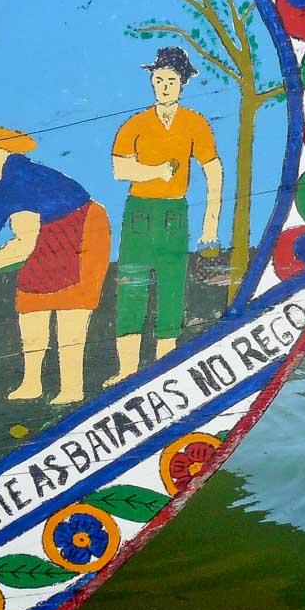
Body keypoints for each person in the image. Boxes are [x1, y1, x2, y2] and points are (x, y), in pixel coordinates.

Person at [0, 127, 111, 405]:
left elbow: (14, 245)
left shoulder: (15, 182)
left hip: (83, 229)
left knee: (71, 307)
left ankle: (72, 387)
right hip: (50, 236)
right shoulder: (8, 185)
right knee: (29, 297)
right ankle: (32, 382)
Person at [111, 47, 222, 382]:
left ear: (183, 83)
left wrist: (211, 222)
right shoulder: (137, 123)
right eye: (158, 79)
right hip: (139, 212)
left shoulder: (194, 123)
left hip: (175, 212)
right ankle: (127, 370)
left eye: (170, 80)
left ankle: (165, 368)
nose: (163, 86)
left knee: (172, 286)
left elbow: (212, 170)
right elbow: (119, 168)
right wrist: (156, 171)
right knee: (131, 284)